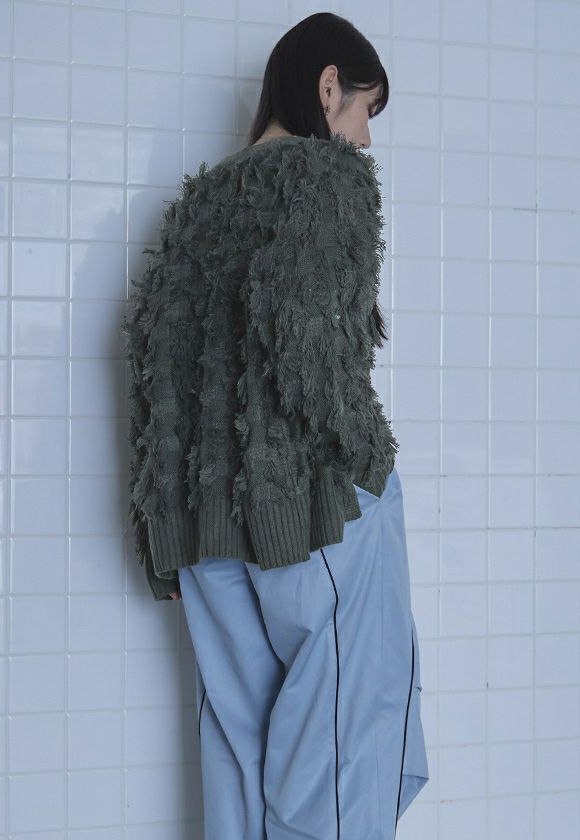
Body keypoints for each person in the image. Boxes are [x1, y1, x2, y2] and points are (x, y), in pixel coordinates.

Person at [122, 11, 429, 839]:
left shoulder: (197, 207)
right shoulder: (326, 178)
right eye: (365, 109)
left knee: (240, 750)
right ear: (328, 88)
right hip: (311, 512)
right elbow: (306, 337)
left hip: (208, 534)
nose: (366, 140)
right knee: (343, 748)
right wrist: (367, 460)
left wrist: (162, 537)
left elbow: (155, 364)